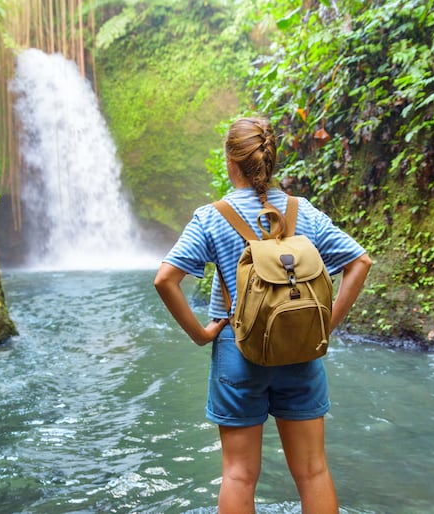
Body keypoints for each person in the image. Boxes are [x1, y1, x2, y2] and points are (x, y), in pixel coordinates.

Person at [154, 116, 372, 513]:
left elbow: (165, 280)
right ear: (270, 162)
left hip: (237, 350)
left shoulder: (211, 216)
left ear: (230, 162)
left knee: (238, 474)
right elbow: (360, 262)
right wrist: (325, 325)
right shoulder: (300, 210)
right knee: (313, 473)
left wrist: (201, 334)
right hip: (302, 349)